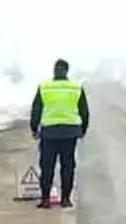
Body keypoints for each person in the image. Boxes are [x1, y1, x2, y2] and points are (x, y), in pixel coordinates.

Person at [29, 57, 89, 209]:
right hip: (69, 132)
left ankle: (45, 199)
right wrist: (83, 129)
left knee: (47, 166)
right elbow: (84, 111)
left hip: (49, 132)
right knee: (67, 166)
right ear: (67, 71)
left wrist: (34, 128)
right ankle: (66, 199)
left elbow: (36, 109)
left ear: (54, 70)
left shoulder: (44, 86)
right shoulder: (75, 87)